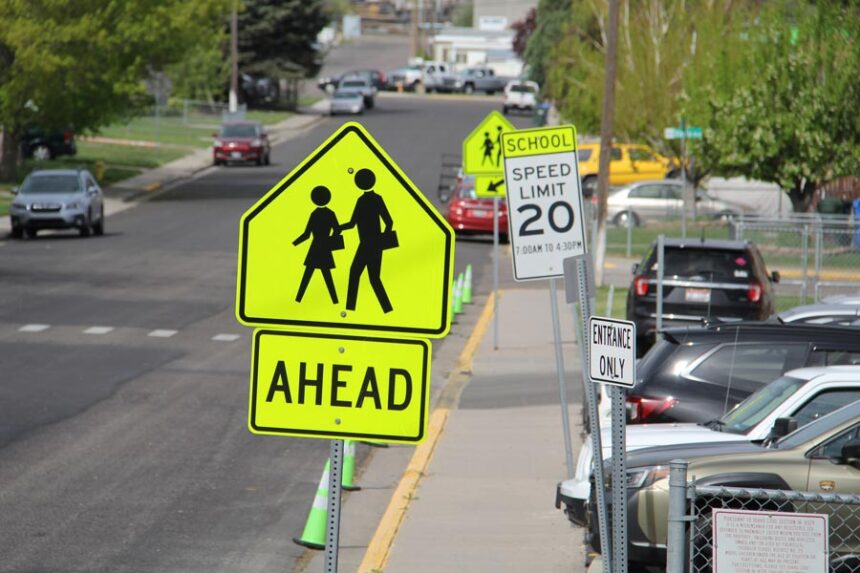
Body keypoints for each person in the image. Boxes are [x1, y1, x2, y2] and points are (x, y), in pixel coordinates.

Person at [340, 168, 395, 313]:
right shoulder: (377, 199)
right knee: (374, 278)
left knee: (355, 273)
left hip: (366, 244)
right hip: (375, 244)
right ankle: (387, 309)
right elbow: (389, 222)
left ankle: (350, 308)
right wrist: (382, 239)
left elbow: (352, 223)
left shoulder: (362, 201)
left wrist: (339, 228)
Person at [293, 185, 342, 304]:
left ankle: (298, 298)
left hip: (315, 248)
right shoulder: (331, 213)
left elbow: (306, 234)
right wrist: (331, 239)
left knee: (308, 274)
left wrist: (295, 243)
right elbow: (337, 229)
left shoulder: (314, 214)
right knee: (326, 275)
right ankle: (335, 300)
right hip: (325, 247)